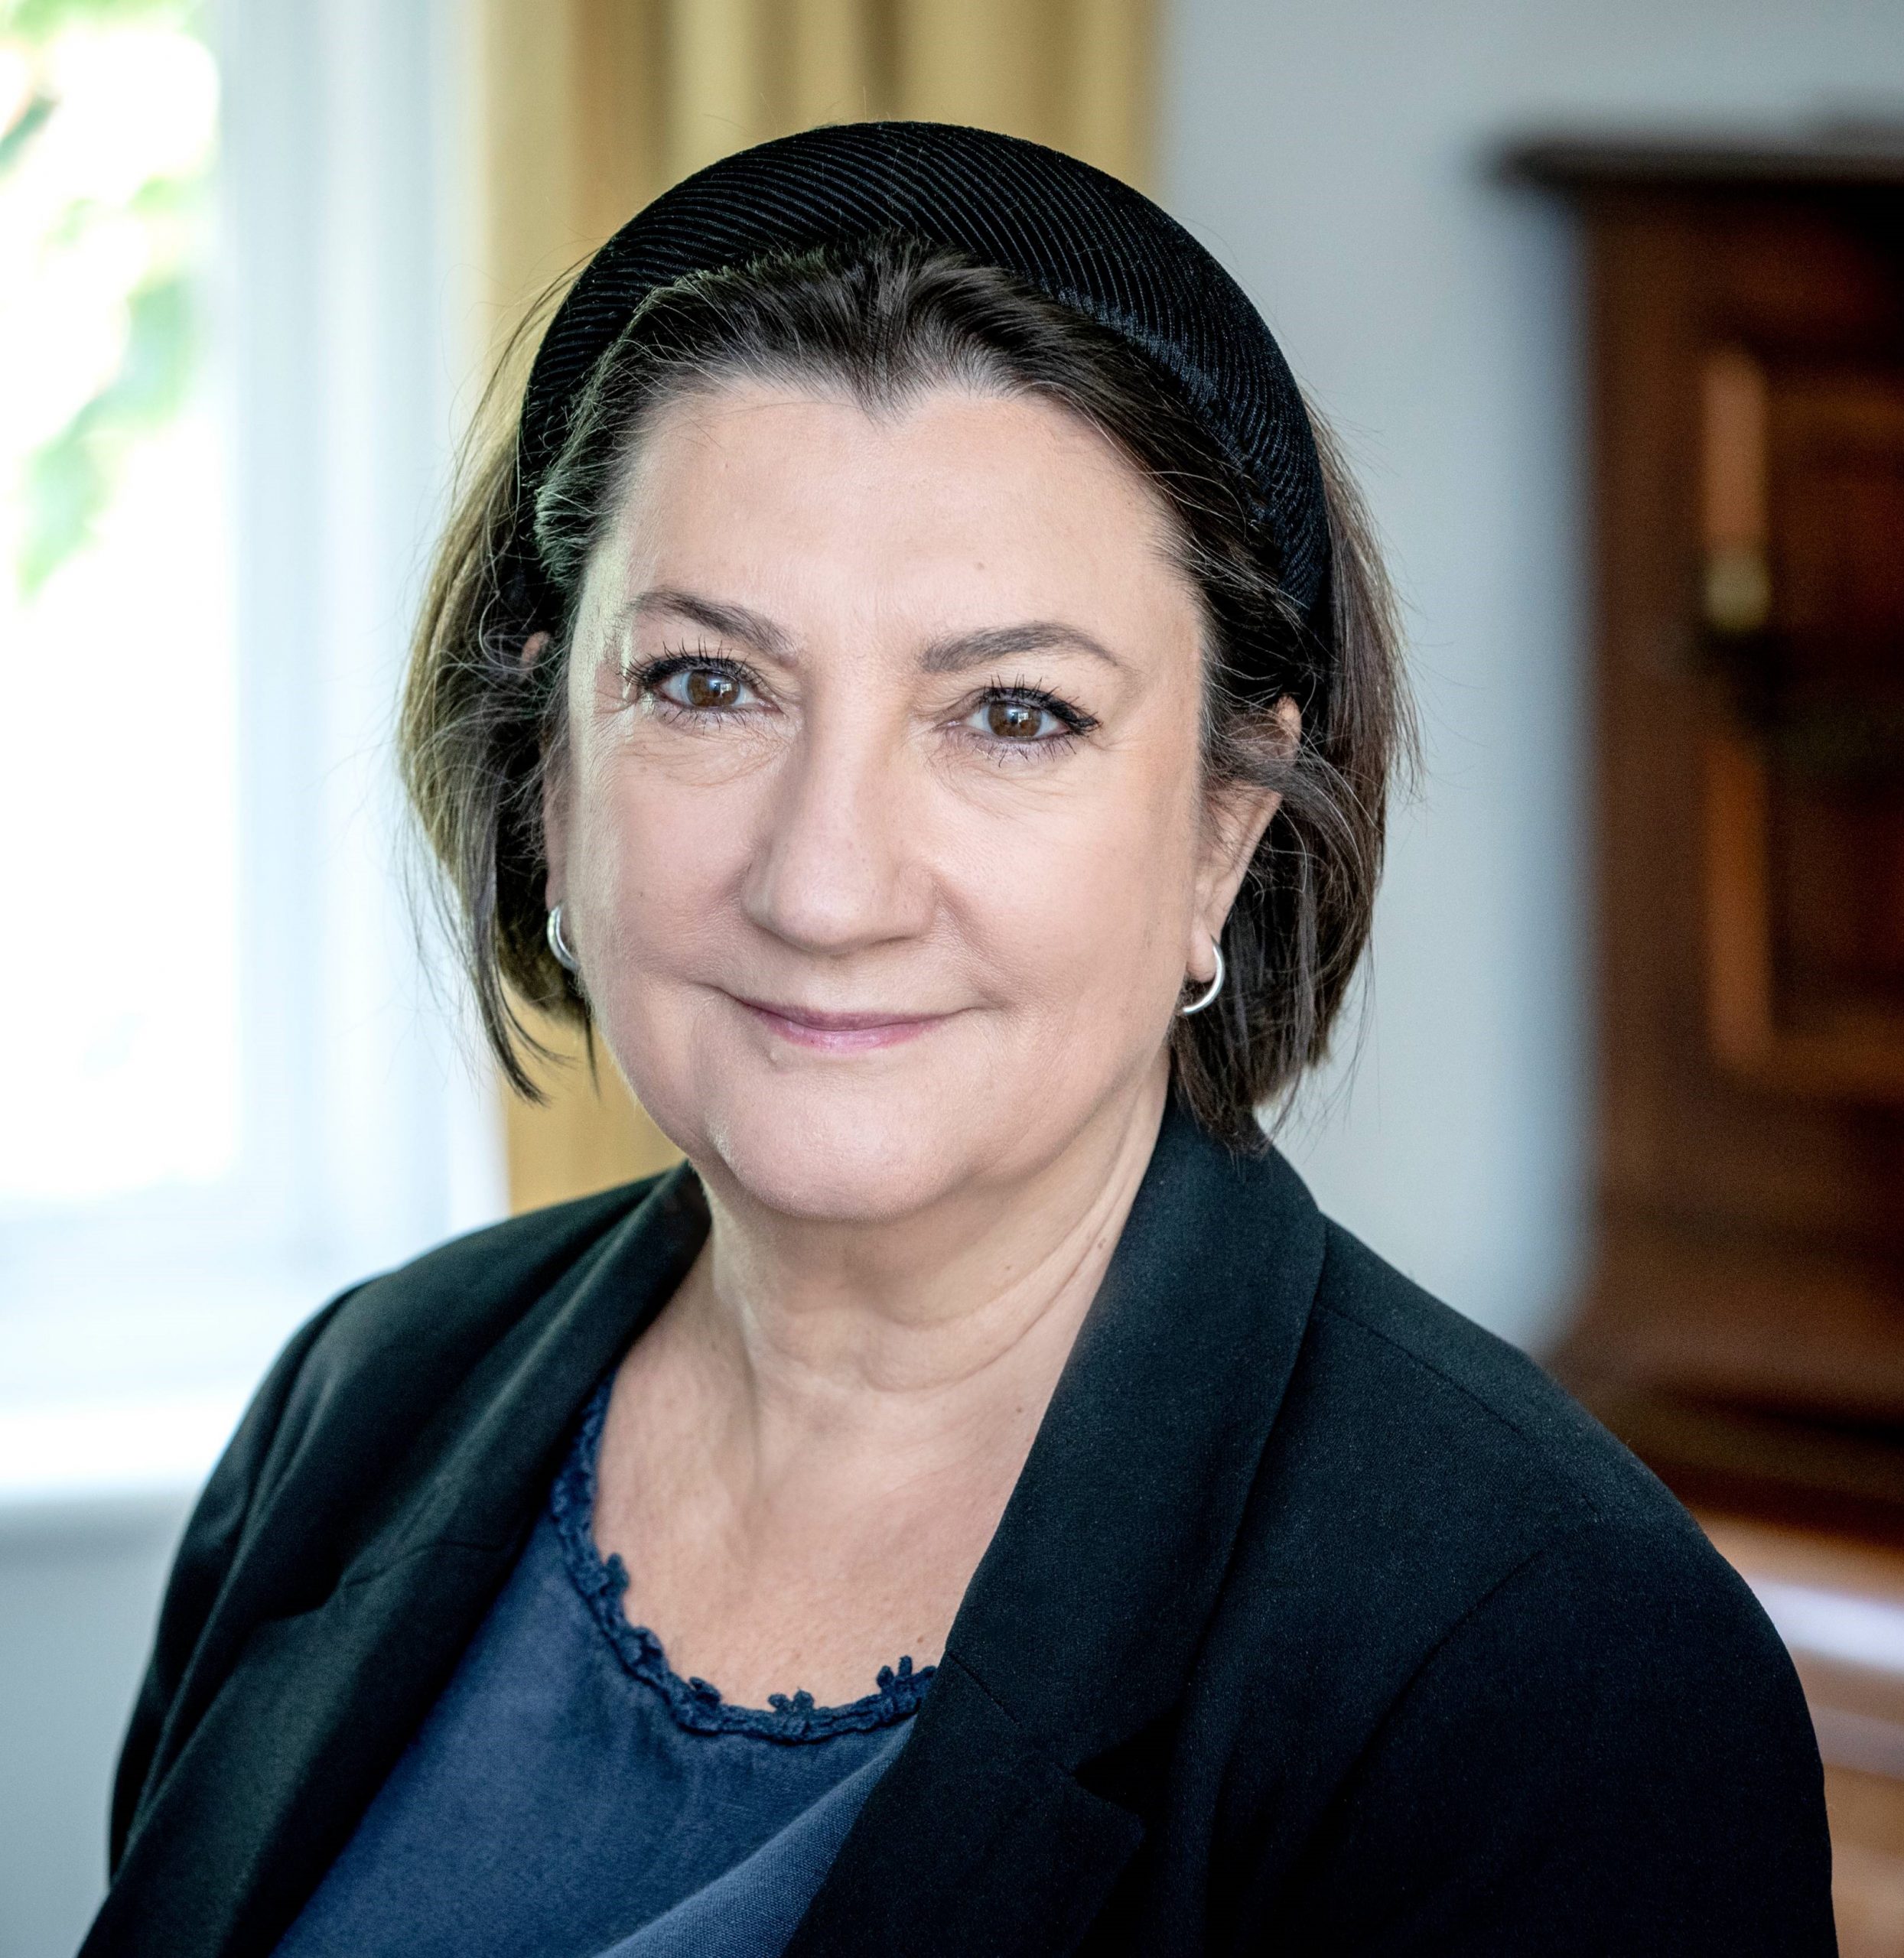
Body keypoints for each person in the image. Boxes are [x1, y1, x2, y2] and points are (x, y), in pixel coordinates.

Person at [83, 123, 1833, 1958]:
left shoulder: (1556, 1668)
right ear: (546, 769)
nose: (828, 882)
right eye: (707, 683)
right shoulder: (365, 1398)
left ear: (1224, 830)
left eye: (1013, 712)